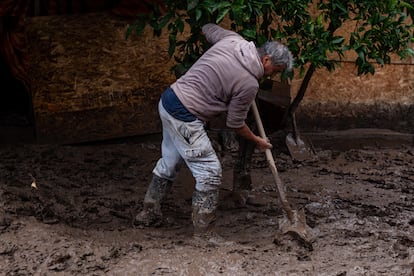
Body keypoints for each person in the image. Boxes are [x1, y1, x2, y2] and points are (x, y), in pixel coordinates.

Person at [134, 23, 294, 244]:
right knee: (209, 172)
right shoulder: (248, 83)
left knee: (170, 161)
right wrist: (257, 140)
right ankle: (204, 235)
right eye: (273, 71)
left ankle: (148, 213)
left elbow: (208, 28)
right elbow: (235, 123)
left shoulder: (232, 40)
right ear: (266, 60)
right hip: (185, 115)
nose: (270, 75)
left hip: (169, 100)